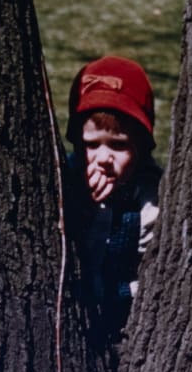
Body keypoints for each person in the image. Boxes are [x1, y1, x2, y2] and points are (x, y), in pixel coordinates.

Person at [65, 55, 162, 349]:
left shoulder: (150, 195)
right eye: (91, 145)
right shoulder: (67, 179)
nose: (103, 158)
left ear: (142, 148)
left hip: (125, 317)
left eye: (119, 145)